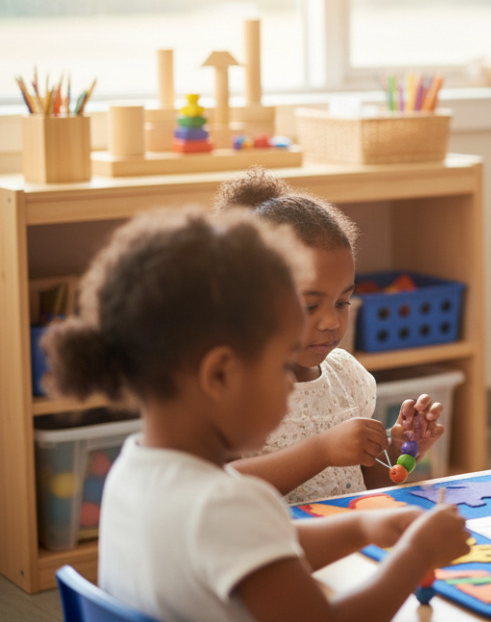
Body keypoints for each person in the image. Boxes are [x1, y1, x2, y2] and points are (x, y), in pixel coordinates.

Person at [41, 207, 469, 621]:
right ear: (220, 374)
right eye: (281, 364)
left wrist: (362, 530)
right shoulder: (226, 506)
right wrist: (418, 555)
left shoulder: (134, 471)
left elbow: (257, 543)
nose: (291, 385)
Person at [216, 167, 443, 503]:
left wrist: (400, 452)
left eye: (342, 302)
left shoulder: (347, 376)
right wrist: (320, 451)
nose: (331, 322)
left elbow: (367, 482)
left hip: (345, 542)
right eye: (310, 306)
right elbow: (218, 490)